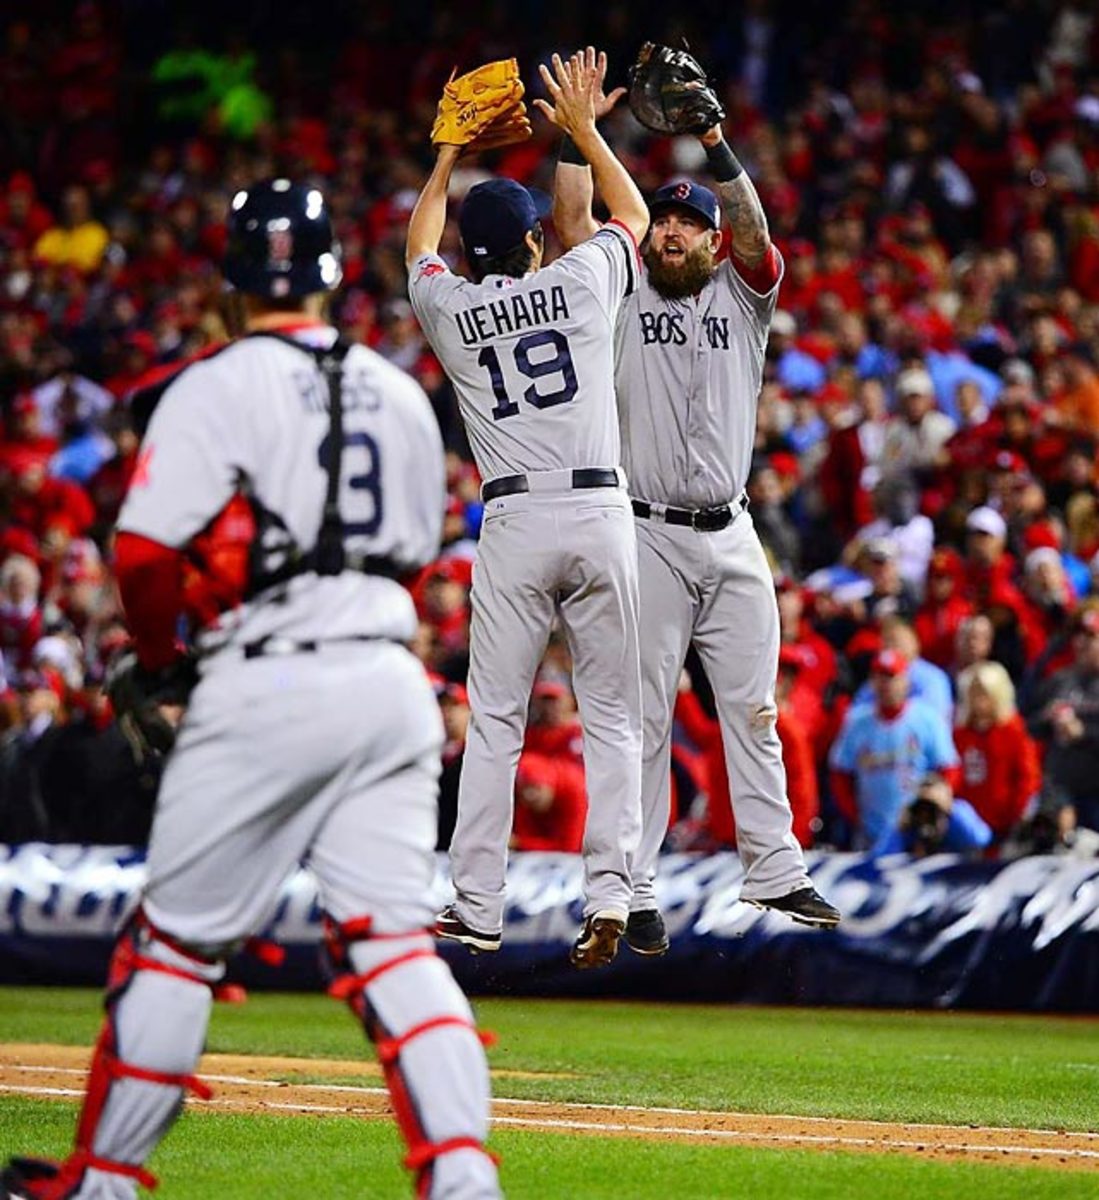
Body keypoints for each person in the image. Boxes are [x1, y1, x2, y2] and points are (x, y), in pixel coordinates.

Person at [3, 180, 500, 1200]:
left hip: (269, 676)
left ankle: (100, 1183)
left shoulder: (214, 383)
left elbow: (143, 553)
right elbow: (409, 559)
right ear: (332, 278)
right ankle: (463, 1183)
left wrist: (162, 659)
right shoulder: (401, 389)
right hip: (387, 679)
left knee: (175, 945)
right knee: (396, 948)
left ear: (232, 283)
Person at [553, 48, 840, 950]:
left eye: (687, 224)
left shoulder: (744, 292)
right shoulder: (623, 287)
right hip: (644, 533)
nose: (671, 231)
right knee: (640, 718)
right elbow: (571, 228)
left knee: (753, 708)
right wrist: (580, 137)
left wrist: (715, 143)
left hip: (730, 530)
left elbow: (754, 230)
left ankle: (774, 869)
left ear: (711, 242)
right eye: (664, 222)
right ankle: (632, 887)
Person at [406, 51, 649, 969]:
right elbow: (625, 215)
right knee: (614, 715)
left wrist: (445, 156)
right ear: (538, 241)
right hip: (596, 509)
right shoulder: (581, 279)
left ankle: (475, 905)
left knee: (496, 720)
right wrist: (583, 128)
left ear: (476, 253)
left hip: (509, 520)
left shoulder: (453, 310)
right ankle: (614, 892)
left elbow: (415, 250)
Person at [829, 649, 960, 852]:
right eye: (879, 677)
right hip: (870, 829)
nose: (885, 685)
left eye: (891, 677)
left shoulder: (927, 719)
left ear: (905, 680)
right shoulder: (857, 721)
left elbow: (948, 768)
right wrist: (855, 815)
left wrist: (933, 808)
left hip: (916, 828)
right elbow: (840, 773)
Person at [953, 661, 1041, 843]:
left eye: (983, 692)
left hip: (1005, 822)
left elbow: (1028, 777)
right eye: (973, 692)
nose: (977, 699)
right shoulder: (959, 734)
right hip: (969, 825)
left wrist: (1016, 812)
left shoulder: (1014, 731)